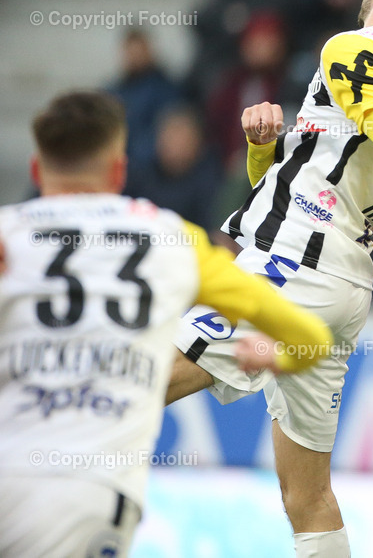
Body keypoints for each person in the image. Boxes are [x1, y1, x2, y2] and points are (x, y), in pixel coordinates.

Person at [165, 0, 373, 558]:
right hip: (337, 285)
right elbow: (322, 182)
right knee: (307, 496)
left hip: (291, 270)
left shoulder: (353, 48)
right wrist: (262, 152)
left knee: (131, 382)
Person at [0, 91, 333, 558]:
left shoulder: (7, 238)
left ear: (36, 171)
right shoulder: (173, 240)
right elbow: (312, 338)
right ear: (119, 171)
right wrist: (272, 354)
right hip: (96, 495)